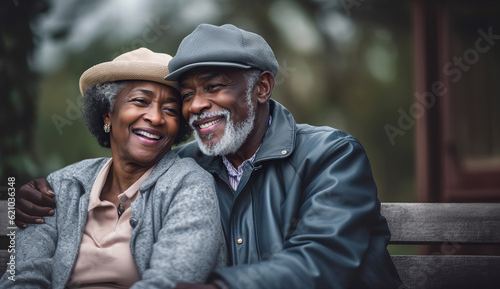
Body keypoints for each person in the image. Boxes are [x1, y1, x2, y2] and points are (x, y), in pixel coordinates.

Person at [15, 24, 402, 288]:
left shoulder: (331, 155)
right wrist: (32, 193)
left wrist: (223, 286)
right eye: (186, 96)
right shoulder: (186, 164)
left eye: (214, 87)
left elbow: (325, 259)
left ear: (262, 87)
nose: (196, 106)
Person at [3, 47, 226, 288]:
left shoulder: (189, 184)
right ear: (107, 114)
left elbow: (170, 281)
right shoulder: (63, 185)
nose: (156, 118)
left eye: (170, 110)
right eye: (141, 101)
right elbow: (22, 277)